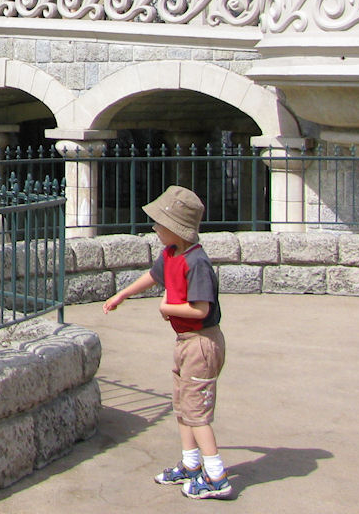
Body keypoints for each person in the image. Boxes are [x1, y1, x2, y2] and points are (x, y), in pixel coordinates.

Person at [103, 186, 231, 500]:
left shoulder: (196, 262)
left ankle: (216, 476)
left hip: (202, 343)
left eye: (160, 223)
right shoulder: (171, 254)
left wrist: (167, 308)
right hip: (185, 341)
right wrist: (123, 294)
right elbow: (153, 276)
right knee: (183, 405)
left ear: (176, 228)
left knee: (197, 412)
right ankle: (191, 464)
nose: (154, 228)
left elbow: (200, 309)